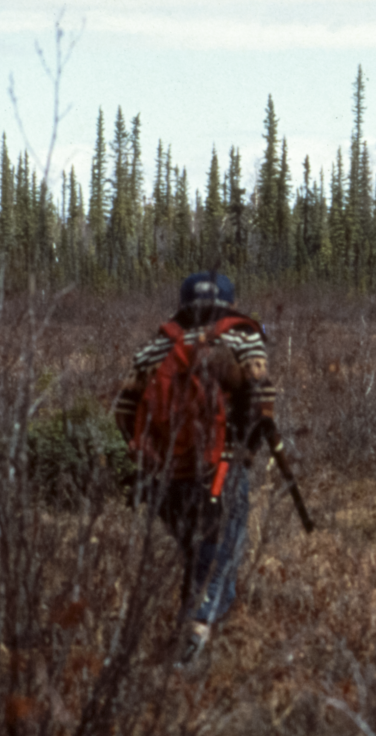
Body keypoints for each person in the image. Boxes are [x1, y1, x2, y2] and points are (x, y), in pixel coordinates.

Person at [113, 271, 278, 664]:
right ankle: (194, 637)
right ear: (230, 303)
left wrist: (151, 453)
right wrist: (247, 450)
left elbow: (123, 410)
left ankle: (201, 636)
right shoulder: (243, 337)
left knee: (198, 553)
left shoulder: (160, 344)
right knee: (220, 555)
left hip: (168, 475)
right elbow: (263, 400)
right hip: (222, 467)